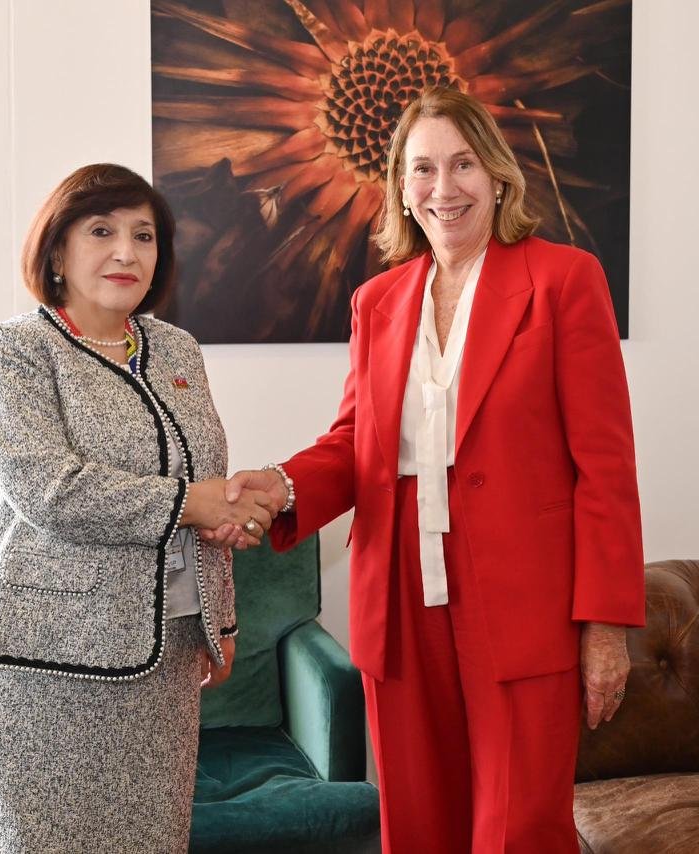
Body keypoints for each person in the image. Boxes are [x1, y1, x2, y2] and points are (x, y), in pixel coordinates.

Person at [220, 88, 645, 852]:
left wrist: (605, 624)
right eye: (423, 168)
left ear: (499, 175)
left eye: (462, 164)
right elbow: (358, 441)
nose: (443, 188)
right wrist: (282, 486)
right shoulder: (377, 301)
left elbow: (606, 467)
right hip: (400, 594)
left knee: (519, 828)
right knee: (418, 825)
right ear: (401, 186)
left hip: (525, 598)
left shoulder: (564, 280)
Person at [0, 163, 275, 853]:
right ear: (56, 252)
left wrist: (220, 614)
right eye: (101, 231)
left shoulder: (175, 348)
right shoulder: (10, 350)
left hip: (165, 658)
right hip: (44, 663)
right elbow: (50, 489)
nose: (126, 251)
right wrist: (192, 503)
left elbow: (203, 484)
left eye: (144, 235)